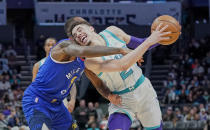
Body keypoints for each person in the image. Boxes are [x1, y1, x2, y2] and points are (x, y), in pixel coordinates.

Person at [66, 16, 171, 130]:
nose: (78, 34)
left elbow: (140, 43)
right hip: (122, 99)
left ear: (91, 28)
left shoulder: (112, 31)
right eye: (75, 35)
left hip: (143, 89)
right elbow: (122, 65)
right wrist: (108, 95)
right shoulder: (90, 61)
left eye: (80, 29)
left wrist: (164, 35)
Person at [22, 32, 129, 129]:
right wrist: (120, 49)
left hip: (57, 102)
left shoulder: (83, 61)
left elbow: (95, 82)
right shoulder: (62, 49)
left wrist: (109, 96)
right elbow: (82, 50)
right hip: (39, 101)